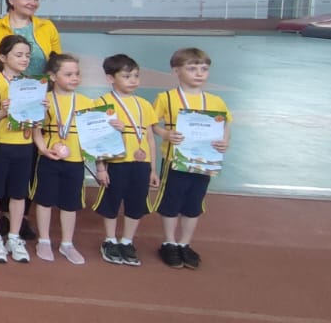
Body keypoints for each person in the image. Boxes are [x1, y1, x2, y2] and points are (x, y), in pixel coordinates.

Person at [0, 0, 61, 241]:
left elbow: (56, 62)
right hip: (3, 97)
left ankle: (21, 216)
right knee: (1, 158)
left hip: (37, 99)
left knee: (30, 159)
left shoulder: (47, 27)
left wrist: (52, 94)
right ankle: (1, 216)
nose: (32, 2)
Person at [153, 48, 232, 270]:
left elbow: (226, 124)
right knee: (171, 201)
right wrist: (165, 134)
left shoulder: (215, 101)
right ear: (176, 71)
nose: (199, 73)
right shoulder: (166, 98)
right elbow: (151, 123)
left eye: (204, 69)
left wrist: (225, 141)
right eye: (192, 68)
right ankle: (169, 242)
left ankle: (185, 243)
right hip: (175, 160)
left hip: (203, 162)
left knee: (194, 203)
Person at [92, 54, 160, 267]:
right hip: (116, 162)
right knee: (112, 200)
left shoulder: (144, 104)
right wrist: (100, 167)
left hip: (140, 163)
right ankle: (110, 240)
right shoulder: (102, 103)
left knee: (136, 202)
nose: (133, 80)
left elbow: (150, 138)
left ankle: (127, 241)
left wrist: (153, 169)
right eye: (126, 76)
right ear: (110, 78)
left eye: (136, 76)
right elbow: (97, 138)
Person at [0, 35, 36, 264]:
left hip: (25, 146)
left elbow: (36, 120)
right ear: (3, 57)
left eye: (27, 55)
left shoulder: (32, 83)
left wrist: (41, 109)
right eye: (19, 55)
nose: (24, 59)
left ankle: (14, 237)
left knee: (19, 194)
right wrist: (4, 112)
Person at [33, 53, 91, 265]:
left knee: (70, 203)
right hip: (49, 157)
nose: (74, 78)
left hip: (76, 160)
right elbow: (35, 131)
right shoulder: (43, 100)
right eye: (68, 74)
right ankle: (44, 240)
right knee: (45, 200)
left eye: (77, 74)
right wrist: (43, 149)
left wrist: (114, 127)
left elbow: (95, 135)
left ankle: (67, 243)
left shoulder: (87, 102)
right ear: (53, 76)